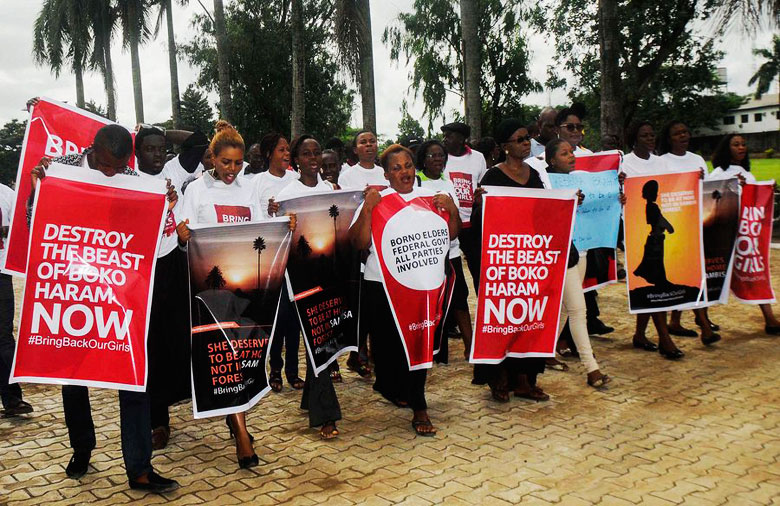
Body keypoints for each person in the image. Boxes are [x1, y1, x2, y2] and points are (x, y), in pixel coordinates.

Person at [29, 124, 179, 492]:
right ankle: (82, 449)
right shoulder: (59, 168)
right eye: (107, 165)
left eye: (119, 166)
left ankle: (140, 468)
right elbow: (38, 225)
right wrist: (40, 189)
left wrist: (165, 204)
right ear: (92, 150)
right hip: (74, 295)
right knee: (74, 378)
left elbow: (145, 235)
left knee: (132, 377)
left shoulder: (131, 177)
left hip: (119, 296)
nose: (113, 173)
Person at [349, 144, 459, 436]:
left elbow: (451, 235)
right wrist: (369, 209)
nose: (404, 172)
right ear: (386, 175)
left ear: (415, 167)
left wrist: (453, 211)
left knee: (420, 340)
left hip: (422, 288)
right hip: (382, 286)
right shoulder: (377, 200)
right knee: (389, 348)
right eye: (396, 168)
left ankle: (419, 404)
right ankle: (390, 386)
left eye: (408, 165)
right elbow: (359, 243)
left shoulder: (431, 199)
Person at [176, 121, 261, 469]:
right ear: (213, 158)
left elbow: (260, 231)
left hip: (244, 285)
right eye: (226, 162)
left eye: (238, 163)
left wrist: (280, 223)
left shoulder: (249, 189)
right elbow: (185, 239)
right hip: (209, 291)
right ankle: (242, 433)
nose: (232, 169)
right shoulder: (196, 190)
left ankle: (234, 417)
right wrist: (182, 235)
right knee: (225, 356)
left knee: (240, 357)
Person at [470, 118, 551, 402]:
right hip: (501, 260)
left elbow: (546, 211)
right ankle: (498, 376)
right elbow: (482, 223)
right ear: (506, 147)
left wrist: (568, 203)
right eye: (520, 139)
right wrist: (481, 205)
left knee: (529, 319)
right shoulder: (492, 177)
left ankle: (524, 379)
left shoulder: (535, 175)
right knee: (502, 318)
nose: (527, 142)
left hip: (529, 258)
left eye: (527, 137)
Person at [275, 135, 343, 438]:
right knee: (319, 339)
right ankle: (326, 415)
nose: (313, 158)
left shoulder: (330, 190)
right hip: (300, 279)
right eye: (306, 153)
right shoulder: (286, 194)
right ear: (296, 159)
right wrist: (282, 222)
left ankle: (310, 398)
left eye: (317, 152)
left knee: (324, 339)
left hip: (328, 274)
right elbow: (277, 239)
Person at [133, 127, 192, 450]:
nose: (158, 155)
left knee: (177, 339)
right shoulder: (128, 179)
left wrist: (163, 130)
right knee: (151, 346)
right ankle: (158, 421)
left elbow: (198, 141)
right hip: (142, 269)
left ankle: (181, 397)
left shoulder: (171, 172)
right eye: (150, 149)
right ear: (137, 153)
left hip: (173, 263)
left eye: (162, 149)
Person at [545, 139, 612, 387]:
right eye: (564, 153)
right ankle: (591, 368)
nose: (571, 156)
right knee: (578, 310)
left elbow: (601, 204)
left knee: (565, 308)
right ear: (551, 160)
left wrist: (616, 199)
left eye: (571, 151)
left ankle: (544, 350)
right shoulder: (548, 184)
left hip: (581, 249)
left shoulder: (580, 179)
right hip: (564, 254)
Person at [621, 121, 684, 359]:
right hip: (635, 230)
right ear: (634, 139)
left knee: (651, 284)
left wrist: (695, 179)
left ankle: (639, 334)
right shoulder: (625, 163)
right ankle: (664, 339)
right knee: (655, 283)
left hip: (658, 237)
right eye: (644, 135)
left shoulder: (662, 162)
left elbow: (676, 188)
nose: (650, 138)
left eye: (652, 134)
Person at [709, 133, 780, 335]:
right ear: (726, 148)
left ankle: (769, 318)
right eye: (736, 144)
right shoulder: (718, 173)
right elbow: (711, 198)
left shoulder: (746, 173)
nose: (741, 148)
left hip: (745, 235)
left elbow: (753, 200)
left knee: (755, 271)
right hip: (724, 235)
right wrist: (730, 186)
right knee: (712, 277)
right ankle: (691, 319)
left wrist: (767, 190)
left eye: (743, 144)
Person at [659, 120, 720, 343]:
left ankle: (676, 321)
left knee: (693, 274)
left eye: (685, 131)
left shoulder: (697, 160)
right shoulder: (661, 162)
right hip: (674, 227)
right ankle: (704, 325)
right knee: (685, 275)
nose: (683, 136)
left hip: (695, 224)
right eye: (677, 133)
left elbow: (710, 188)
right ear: (669, 138)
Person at [251, 133, 303, 391]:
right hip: (271, 258)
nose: (286, 154)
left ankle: (294, 372)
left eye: (288, 150)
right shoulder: (257, 182)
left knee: (294, 318)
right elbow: (252, 216)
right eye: (281, 150)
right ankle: (275, 370)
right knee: (278, 317)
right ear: (269, 153)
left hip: (296, 257)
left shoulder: (296, 180)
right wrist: (269, 213)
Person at [415, 140, 472, 362]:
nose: (437, 159)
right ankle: (430, 349)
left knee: (460, 299)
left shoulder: (448, 183)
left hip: (452, 252)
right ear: (423, 159)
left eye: (441, 155)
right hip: (428, 255)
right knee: (431, 302)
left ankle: (470, 346)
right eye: (432, 156)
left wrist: (451, 207)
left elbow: (455, 217)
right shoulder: (417, 183)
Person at [441, 122, 488, 292]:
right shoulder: (441, 157)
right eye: (444, 135)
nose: (445, 139)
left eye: (449, 136)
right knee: (450, 272)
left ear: (462, 139)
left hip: (471, 225)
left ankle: (482, 309)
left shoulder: (478, 158)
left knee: (479, 271)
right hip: (449, 224)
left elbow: (483, 184)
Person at [0, 182, 33, 418]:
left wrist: (5, 230)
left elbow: (22, 228)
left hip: (1, 273)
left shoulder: (7, 194)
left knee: (3, 337)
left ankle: (12, 399)